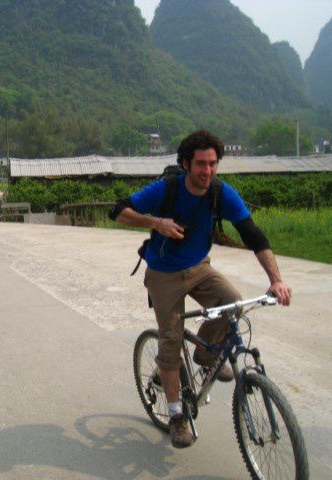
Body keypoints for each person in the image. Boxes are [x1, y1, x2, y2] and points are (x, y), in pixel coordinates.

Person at [110, 130, 291, 449]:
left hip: (198, 267)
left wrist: (276, 279)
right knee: (170, 340)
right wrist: (155, 222)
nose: (207, 171)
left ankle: (206, 353)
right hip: (164, 273)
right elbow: (118, 211)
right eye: (200, 164)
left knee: (233, 303)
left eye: (212, 164)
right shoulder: (166, 189)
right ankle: (177, 415)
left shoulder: (221, 192)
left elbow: (253, 235)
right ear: (185, 164)